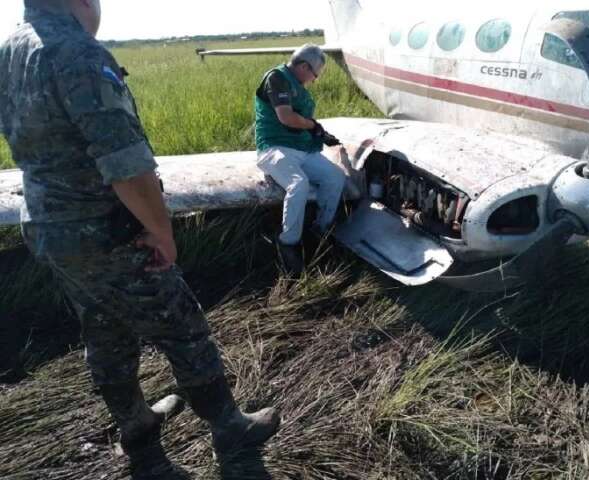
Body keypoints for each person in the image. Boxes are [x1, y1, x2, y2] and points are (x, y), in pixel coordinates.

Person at [0, 0, 279, 477]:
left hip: (52, 229)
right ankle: (229, 427)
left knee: (105, 330)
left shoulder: (9, 50)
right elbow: (125, 163)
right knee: (182, 327)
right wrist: (160, 230)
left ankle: (138, 433)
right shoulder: (78, 53)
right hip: (107, 231)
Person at [255, 44, 346, 276]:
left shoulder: (298, 86)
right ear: (304, 66)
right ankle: (288, 242)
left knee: (335, 177)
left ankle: (320, 231)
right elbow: (286, 117)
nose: (314, 80)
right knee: (299, 183)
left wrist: (321, 133)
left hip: (302, 149)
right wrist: (312, 125)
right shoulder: (277, 78)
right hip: (274, 147)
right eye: (315, 74)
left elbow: (304, 120)